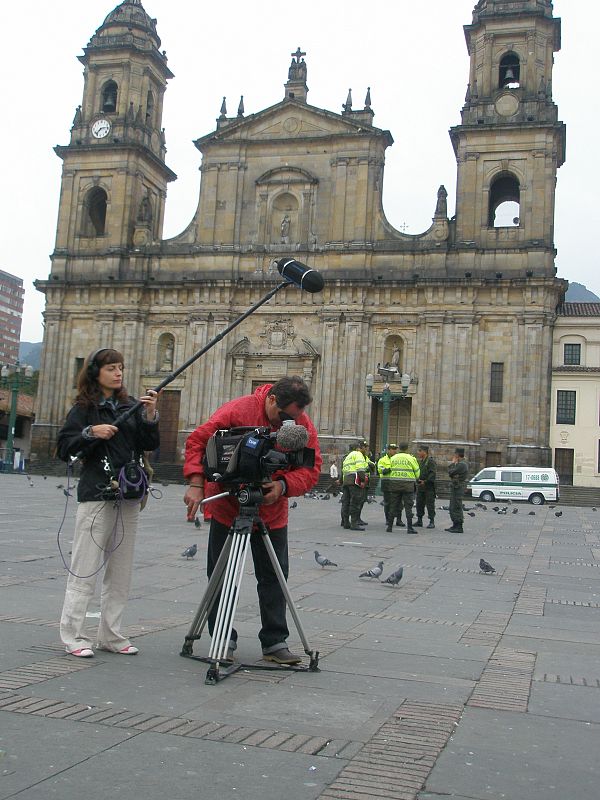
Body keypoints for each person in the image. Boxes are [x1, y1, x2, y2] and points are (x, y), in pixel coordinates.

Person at [183, 376, 321, 665]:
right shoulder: (237, 410)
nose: (290, 424)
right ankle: (223, 639)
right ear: (271, 399)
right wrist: (196, 483)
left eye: (296, 418)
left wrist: (283, 486)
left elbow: (311, 468)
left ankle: (275, 642)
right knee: (221, 577)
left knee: (274, 576)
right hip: (228, 506)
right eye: (286, 417)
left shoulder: (301, 425)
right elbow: (198, 441)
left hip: (273, 510)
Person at [56, 348, 160, 658]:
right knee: (85, 568)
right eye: (111, 368)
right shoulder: (84, 409)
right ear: (95, 373)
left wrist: (150, 416)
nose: (118, 373)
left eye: (121, 368)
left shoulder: (129, 406)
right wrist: (91, 432)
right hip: (96, 494)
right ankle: (73, 635)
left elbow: (148, 444)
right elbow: (64, 447)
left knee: (121, 570)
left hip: (127, 495)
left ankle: (110, 634)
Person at [387, 443, 420, 533]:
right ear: (407, 449)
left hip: (395, 484)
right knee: (408, 507)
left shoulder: (393, 458)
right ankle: (409, 528)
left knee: (393, 505)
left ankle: (389, 527)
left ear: (399, 449)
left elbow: (389, 469)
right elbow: (417, 473)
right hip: (407, 486)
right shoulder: (411, 458)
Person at [341, 441, 369, 530]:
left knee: (346, 502)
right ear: (358, 448)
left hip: (346, 481)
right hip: (354, 481)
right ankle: (354, 523)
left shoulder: (347, 457)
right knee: (355, 502)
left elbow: (343, 470)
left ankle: (346, 522)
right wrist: (363, 480)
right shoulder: (358, 454)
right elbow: (360, 469)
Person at [446, 448, 469, 532]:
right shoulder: (460, 464)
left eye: (455, 454)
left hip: (458, 487)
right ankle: (455, 525)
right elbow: (452, 474)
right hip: (456, 487)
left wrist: (452, 464)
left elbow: (450, 472)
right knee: (453, 506)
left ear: (457, 455)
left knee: (456, 506)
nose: (454, 456)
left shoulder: (462, 464)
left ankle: (458, 526)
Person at [377, 443, 398, 530]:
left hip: (395, 481)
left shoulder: (397, 459)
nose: (395, 451)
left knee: (397, 501)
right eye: (393, 449)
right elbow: (381, 470)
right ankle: (388, 519)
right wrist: (390, 469)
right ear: (388, 450)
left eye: (395, 449)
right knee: (387, 502)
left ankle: (398, 519)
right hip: (386, 482)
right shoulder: (382, 460)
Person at [415, 445, 437, 529]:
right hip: (421, 487)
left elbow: (433, 473)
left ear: (424, 452)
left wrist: (426, 481)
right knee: (419, 503)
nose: (418, 453)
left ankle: (432, 521)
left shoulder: (430, 461)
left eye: (420, 451)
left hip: (429, 487)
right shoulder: (421, 461)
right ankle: (419, 520)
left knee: (430, 504)